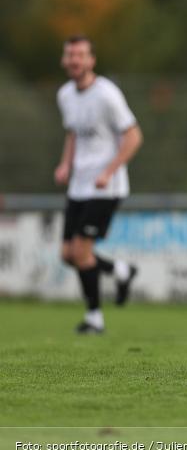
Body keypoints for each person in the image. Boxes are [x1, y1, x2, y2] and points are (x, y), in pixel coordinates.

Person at [54, 35, 142, 334]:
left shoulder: (107, 94)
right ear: (65, 60)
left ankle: (94, 318)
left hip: (106, 187)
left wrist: (109, 170)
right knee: (68, 254)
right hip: (78, 186)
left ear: (91, 60)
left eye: (80, 55)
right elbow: (72, 133)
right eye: (70, 55)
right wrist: (66, 164)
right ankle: (121, 271)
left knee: (80, 252)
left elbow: (133, 137)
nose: (74, 60)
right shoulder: (65, 94)